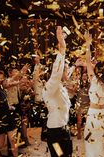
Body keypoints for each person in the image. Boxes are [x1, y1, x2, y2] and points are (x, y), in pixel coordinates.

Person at [83, 32, 104, 157]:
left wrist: (88, 43)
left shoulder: (94, 79)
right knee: (99, 142)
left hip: (94, 113)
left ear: (96, 70)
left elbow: (87, 60)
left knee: (90, 141)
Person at [42, 26, 72, 157]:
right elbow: (57, 71)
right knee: (59, 155)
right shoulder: (51, 86)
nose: (68, 71)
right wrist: (62, 49)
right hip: (55, 133)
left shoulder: (61, 86)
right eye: (66, 69)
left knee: (68, 155)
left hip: (65, 129)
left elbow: (64, 74)